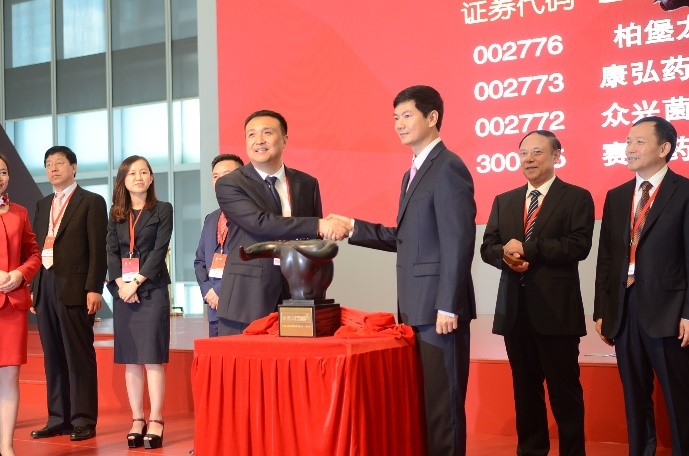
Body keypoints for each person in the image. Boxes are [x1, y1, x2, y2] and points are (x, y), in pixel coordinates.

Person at [329, 85, 476, 455]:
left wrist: (448, 304)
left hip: (439, 311)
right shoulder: (412, 174)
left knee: (444, 405)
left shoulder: (448, 167)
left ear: (432, 117)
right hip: (415, 308)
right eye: (395, 117)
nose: (399, 124)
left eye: (407, 116)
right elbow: (406, 238)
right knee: (425, 403)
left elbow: (458, 240)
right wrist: (353, 226)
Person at [480, 130, 594, 456]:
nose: (528, 159)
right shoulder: (504, 200)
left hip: (557, 313)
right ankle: (531, 451)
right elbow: (487, 247)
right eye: (523, 153)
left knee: (564, 392)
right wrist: (504, 256)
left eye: (537, 152)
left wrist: (528, 249)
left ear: (556, 155)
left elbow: (578, 246)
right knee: (525, 391)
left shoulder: (576, 197)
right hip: (515, 313)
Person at [594, 116, 689, 455]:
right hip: (624, 309)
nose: (629, 148)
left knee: (679, 400)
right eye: (628, 141)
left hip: (669, 312)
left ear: (664, 149)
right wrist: (603, 309)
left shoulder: (684, 192)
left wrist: (688, 313)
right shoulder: (617, 196)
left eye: (638, 141)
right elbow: (607, 258)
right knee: (634, 398)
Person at [214, 109, 349, 336]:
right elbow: (260, 223)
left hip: (298, 295)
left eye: (267, 133)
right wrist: (318, 224)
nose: (259, 140)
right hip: (248, 299)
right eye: (252, 134)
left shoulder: (307, 183)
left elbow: (313, 242)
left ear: (284, 140)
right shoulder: (230, 184)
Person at [29, 146, 107, 442]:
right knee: (52, 355)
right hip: (45, 284)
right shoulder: (42, 204)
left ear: (73, 167)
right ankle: (57, 418)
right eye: (48, 164)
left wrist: (94, 288)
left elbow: (97, 249)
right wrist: (34, 288)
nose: (53, 168)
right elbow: (36, 249)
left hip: (75, 287)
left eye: (59, 163)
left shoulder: (91, 201)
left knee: (78, 355)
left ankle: (83, 419)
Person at [106, 155, 173, 449]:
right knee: (131, 358)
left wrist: (136, 282)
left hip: (151, 289)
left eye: (144, 172)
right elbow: (110, 251)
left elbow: (160, 250)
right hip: (124, 292)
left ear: (151, 178)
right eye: (132, 173)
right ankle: (137, 418)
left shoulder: (163, 209)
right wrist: (121, 284)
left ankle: (156, 419)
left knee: (152, 357)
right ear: (124, 179)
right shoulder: (116, 214)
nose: (139, 177)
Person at [0, 153, 41, 456]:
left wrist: (20, 274)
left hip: (12, 306)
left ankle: (6, 446)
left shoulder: (19, 212)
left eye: (3, 172)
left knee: (10, 377)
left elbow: (34, 254)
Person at [195, 153, 244, 337]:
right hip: (214, 308)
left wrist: (219, 290)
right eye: (216, 176)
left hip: (240, 308)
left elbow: (248, 261)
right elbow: (200, 261)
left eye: (226, 175)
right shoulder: (211, 218)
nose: (220, 180)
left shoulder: (253, 216)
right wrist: (208, 290)